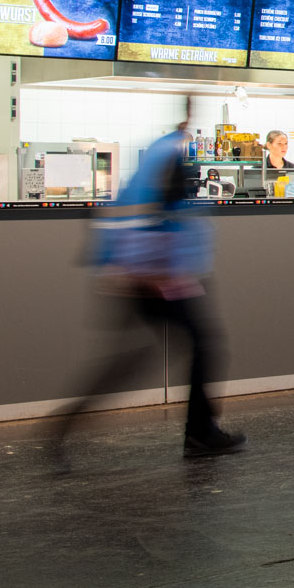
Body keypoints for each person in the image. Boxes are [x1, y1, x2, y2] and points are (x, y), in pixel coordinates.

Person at [49, 103, 245, 464]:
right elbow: (151, 227)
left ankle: (66, 425)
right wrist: (156, 276)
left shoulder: (156, 162)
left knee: (144, 358)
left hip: (152, 280)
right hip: (150, 282)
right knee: (196, 347)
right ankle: (199, 433)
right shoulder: (161, 169)